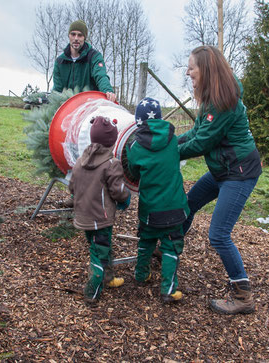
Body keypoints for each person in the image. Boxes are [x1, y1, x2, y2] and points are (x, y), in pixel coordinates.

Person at [178, 45, 262, 315]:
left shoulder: (225, 100)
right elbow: (196, 132)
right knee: (188, 204)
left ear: (207, 69)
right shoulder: (213, 96)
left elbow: (202, 142)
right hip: (222, 170)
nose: (188, 71)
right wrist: (168, 142)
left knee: (218, 234)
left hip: (239, 173)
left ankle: (243, 295)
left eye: (192, 67)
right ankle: (169, 250)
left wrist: (165, 154)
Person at [126, 97, 189, 304]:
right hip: (175, 206)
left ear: (138, 121)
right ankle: (168, 290)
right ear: (159, 117)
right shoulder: (172, 139)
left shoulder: (135, 146)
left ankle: (141, 275)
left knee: (146, 241)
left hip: (150, 209)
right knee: (171, 247)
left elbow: (133, 173)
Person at [68, 116, 131, 304]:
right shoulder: (111, 164)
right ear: (112, 142)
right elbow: (118, 190)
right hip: (100, 219)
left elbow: (72, 187)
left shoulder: (80, 161)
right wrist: (126, 197)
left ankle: (108, 278)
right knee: (99, 253)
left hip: (83, 216)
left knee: (100, 248)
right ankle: (92, 292)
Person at [53, 20, 116, 103]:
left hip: (90, 105)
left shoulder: (94, 57)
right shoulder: (60, 61)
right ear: (69, 35)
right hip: (68, 107)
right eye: (73, 34)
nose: (76, 38)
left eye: (80, 35)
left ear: (84, 38)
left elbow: (101, 76)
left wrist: (107, 91)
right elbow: (57, 89)